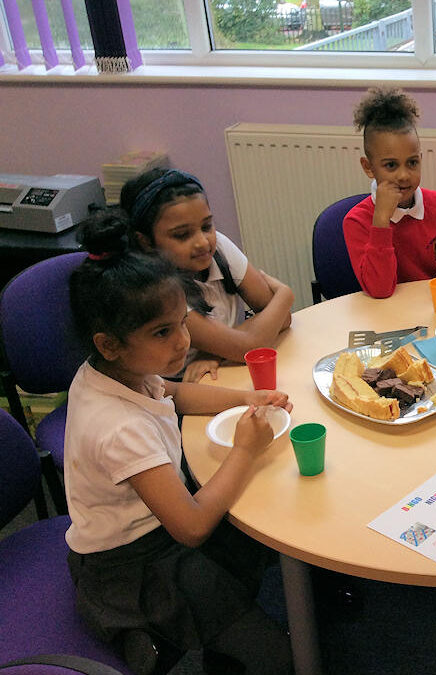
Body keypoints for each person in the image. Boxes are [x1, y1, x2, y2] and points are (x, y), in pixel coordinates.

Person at [65, 211, 295, 675]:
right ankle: (142, 629)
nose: (182, 343)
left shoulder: (117, 370)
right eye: (163, 332)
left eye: (181, 324)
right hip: (134, 563)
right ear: (109, 344)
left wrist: (244, 396)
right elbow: (190, 527)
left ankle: (219, 622)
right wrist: (245, 449)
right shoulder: (118, 429)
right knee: (275, 658)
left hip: (161, 524)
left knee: (259, 538)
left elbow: (173, 390)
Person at [120, 168, 294, 383]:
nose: (203, 241)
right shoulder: (157, 289)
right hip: (182, 394)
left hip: (226, 371)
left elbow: (282, 320)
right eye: (182, 235)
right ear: (145, 241)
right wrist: (284, 295)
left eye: (206, 226)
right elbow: (251, 346)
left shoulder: (218, 245)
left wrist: (216, 352)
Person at [343, 87, 436, 299]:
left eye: (412, 162)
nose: (404, 175)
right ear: (368, 167)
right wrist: (380, 221)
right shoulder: (357, 221)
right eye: (391, 165)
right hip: (390, 319)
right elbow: (380, 290)